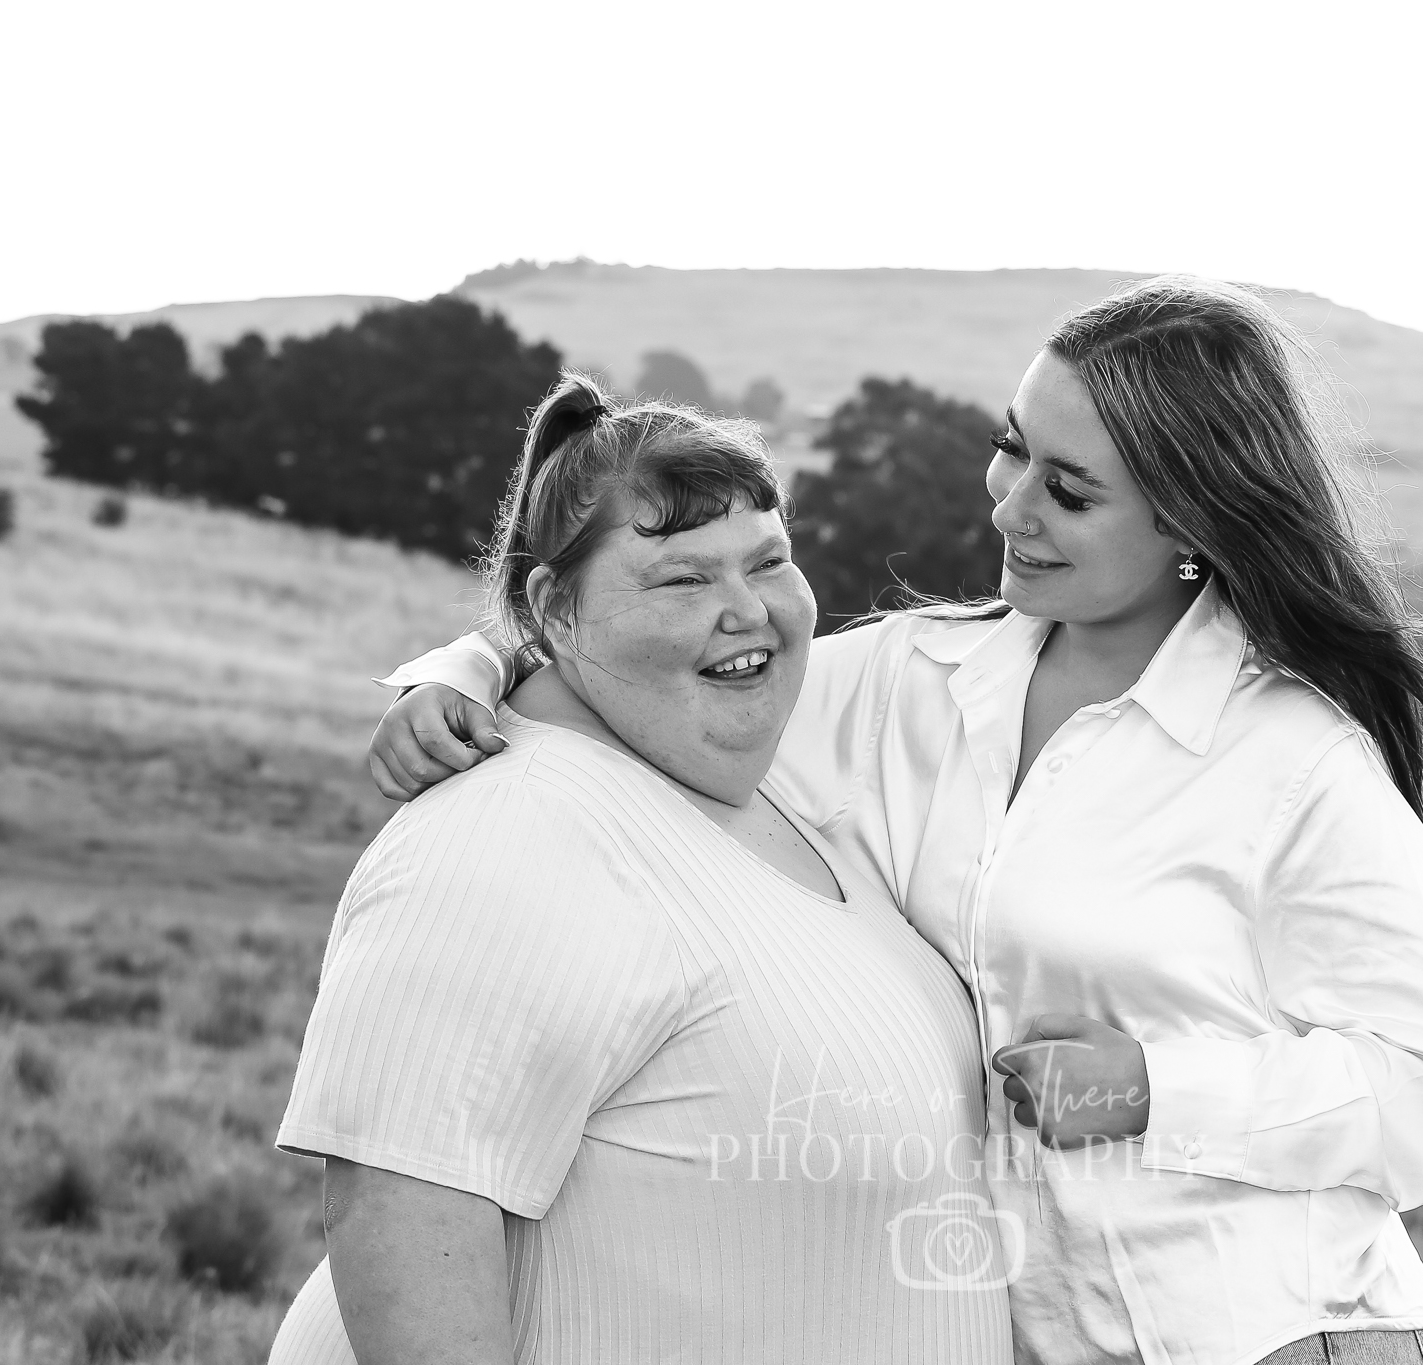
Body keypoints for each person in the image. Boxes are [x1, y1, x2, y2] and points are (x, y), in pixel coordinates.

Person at [371, 276, 1423, 1365]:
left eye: (1070, 490)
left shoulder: (1296, 760)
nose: (1010, 505)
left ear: (1191, 519)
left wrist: (1152, 1091)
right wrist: (466, 672)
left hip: (1288, 1338)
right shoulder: (910, 679)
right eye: (1012, 448)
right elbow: (650, 661)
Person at [269, 383, 1016, 1365]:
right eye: (680, 580)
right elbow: (397, 1202)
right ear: (556, 609)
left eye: (768, 561)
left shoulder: (784, 782)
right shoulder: (505, 833)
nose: (746, 611)